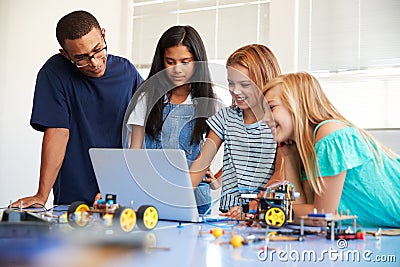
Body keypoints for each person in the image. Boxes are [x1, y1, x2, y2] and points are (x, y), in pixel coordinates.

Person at [12, 10, 143, 208]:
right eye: (81, 58)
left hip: (120, 191)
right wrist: (42, 195)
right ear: (65, 54)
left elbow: (148, 126)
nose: (95, 63)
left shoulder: (127, 71)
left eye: (98, 50)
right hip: (74, 195)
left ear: (104, 35)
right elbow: (57, 132)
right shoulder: (54, 74)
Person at [262, 72, 400, 227]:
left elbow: (322, 216)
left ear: (297, 105)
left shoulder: (330, 135)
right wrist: (289, 156)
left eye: (271, 107)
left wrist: (268, 210)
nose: (264, 118)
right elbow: (304, 210)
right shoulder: (307, 149)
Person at [126, 25, 221, 214]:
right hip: (152, 195)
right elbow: (134, 152)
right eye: (170, 61)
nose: (177, 69)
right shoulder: (147, 97)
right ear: (162, 61)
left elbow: (235, 149)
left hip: (193, 200)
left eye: (185, 62)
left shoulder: (210, 103)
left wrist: (217, 180)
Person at [190, 44, 286, 218]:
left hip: (263, 213)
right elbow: (201, 162)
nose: (235, 91)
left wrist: (254, 206)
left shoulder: (278, 122)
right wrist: (178, 196)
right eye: (230, 83)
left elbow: (281, 173)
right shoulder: (226, 117)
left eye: (244, 84)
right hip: (229, 215)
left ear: (264, 81)